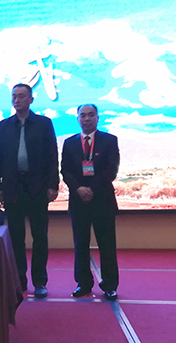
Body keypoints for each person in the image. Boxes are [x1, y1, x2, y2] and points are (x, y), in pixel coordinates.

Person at [0, 83, 59, 298]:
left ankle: (40, 281)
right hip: (13, 187)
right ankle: (19, 279)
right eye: (14, 96)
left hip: (37, 186)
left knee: (40, 236)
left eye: (21, 96)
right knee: (15, 236)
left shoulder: (43, 124)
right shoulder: (4, 126)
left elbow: (52, 155)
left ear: (31, 99)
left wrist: (53, 185)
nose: (17, 100)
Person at [61, 104, 120, 300]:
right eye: (83, 115)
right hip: (78, 201)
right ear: (78, 118)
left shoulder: (109, 140)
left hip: (102, 200)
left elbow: (111, 169)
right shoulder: (69, 143)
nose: (86, 119)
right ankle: (83, 283)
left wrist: (91, 189)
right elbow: (65, 170)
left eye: (91, 115)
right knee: (80, 244)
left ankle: (110, 285)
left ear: (97, 118)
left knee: (107, 244)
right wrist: (79, 188)